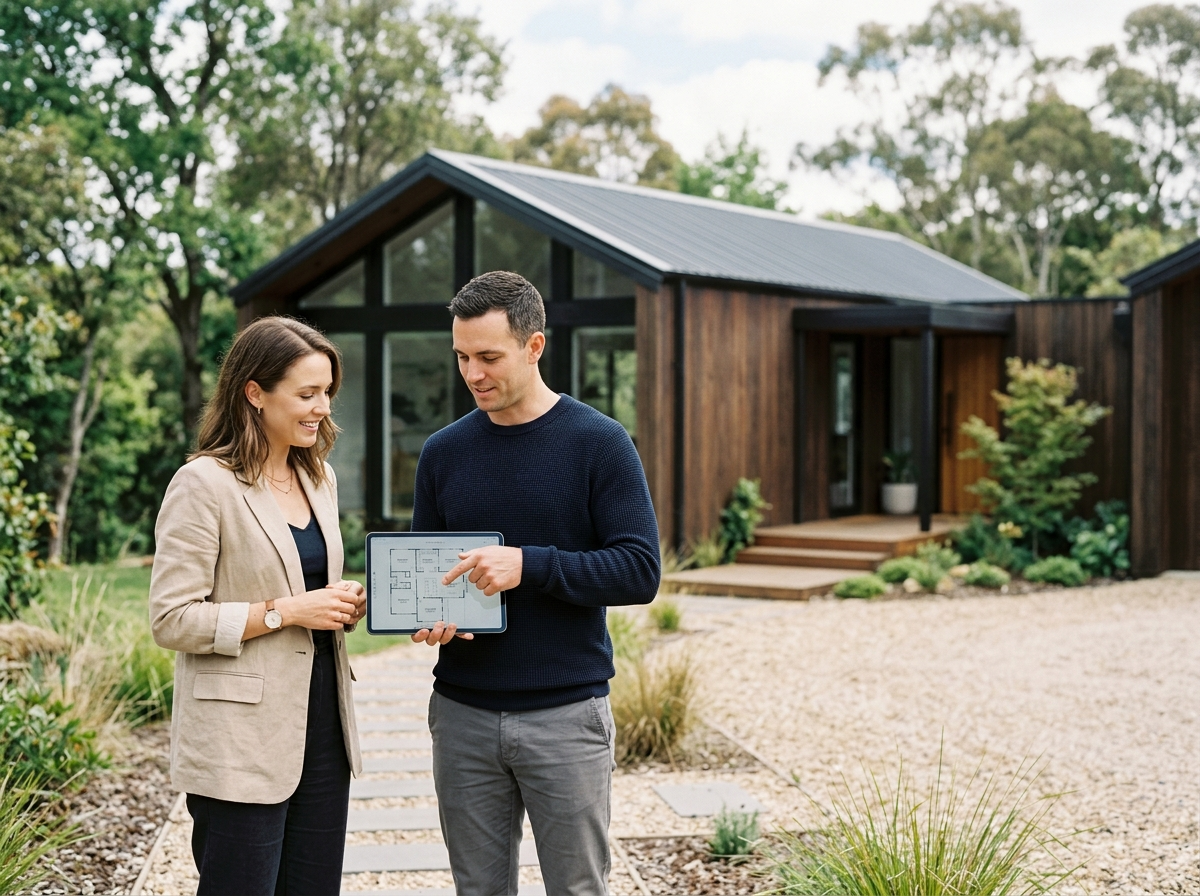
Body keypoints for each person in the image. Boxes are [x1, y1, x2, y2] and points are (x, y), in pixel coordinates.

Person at [410, 271, 661, 896]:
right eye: (462, 357)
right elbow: (430, 574)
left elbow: (639, 569)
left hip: (567, 716)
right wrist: (430, 616)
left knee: (577, 889)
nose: (472, 374)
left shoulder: (600, 443)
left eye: (489, 357)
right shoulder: (442, 453)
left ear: (534, 346)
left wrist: (531, 566)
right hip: (462, 715)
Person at [149, 316, 366, 896]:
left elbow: (309, 584)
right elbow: (171, 619)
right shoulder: (202, 484)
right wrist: (286, 612)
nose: (322, 408)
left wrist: (343, 603)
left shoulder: (318, 476)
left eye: (327, 392)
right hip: (238, 737)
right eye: (307, 393)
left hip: (323, 724)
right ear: (254, 393)